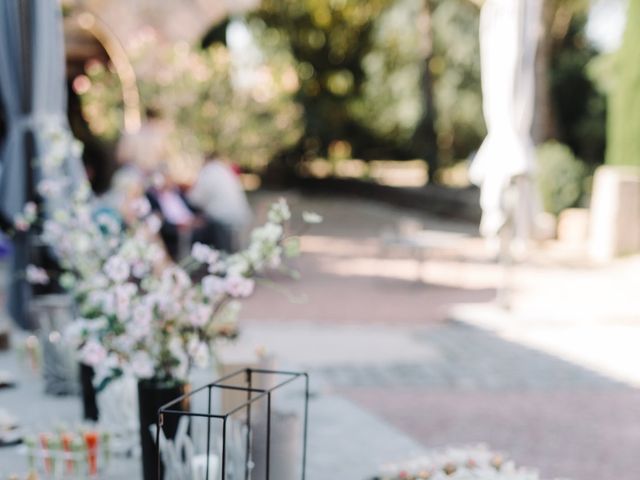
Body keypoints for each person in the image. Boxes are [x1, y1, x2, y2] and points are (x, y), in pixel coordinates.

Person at [187, 153, 252, 252]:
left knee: (201, 232)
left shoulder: (208, 172)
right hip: (239, 215)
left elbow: (195, 199)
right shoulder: (223, 169)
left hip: (222, 218)